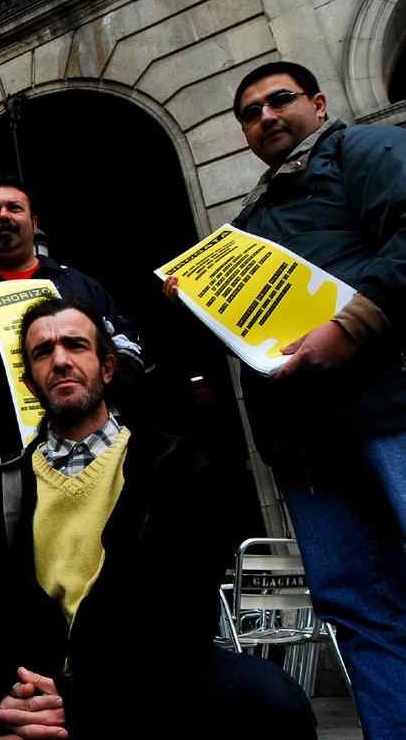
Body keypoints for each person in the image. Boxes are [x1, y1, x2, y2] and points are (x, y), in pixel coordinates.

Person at [166, 60, 406, 738]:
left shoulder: (362, 149)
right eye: (250, 113)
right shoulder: (248, 222)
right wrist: (197, 309)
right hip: (308, 450)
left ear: (319, 103)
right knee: (360, 612)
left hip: (390, 410)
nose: (265, 117)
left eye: (279, 100)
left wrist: (353, 327)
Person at [0, 297, 316, 740]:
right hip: (35, 693)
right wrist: (13, 702)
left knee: (269, 699)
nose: (61, 361)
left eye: (75, 345)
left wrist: (77, 700)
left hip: (144, 688)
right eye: (43, 352)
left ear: (107, 368)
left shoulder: (176, 465)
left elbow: (182, 617)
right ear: (30, 383)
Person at [0, 176, 143, 472]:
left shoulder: (78, 284)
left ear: (33, 223)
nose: (3, 215)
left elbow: (127, 347)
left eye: (14, 208)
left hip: (95, 452)